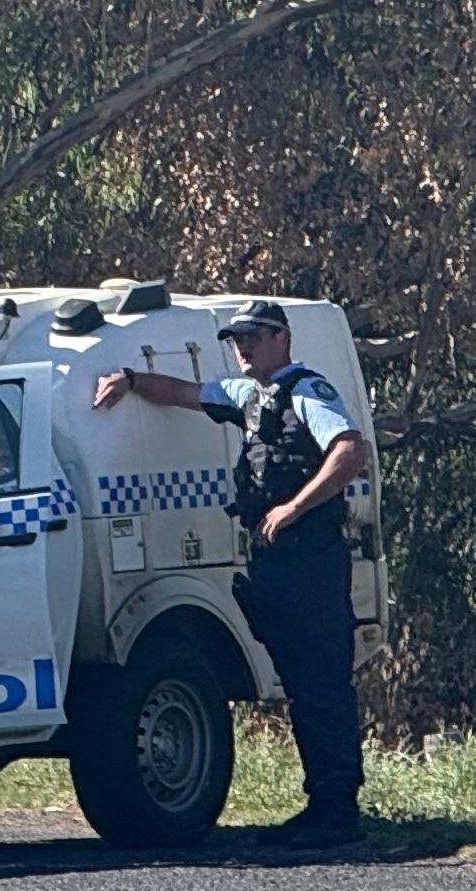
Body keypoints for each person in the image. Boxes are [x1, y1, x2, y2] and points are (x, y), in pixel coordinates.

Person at [90, 299, 374, 850]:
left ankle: (338, 812)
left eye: (252, 337)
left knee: (321, 686)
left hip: (312, 560)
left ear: (280, 338)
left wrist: (295, 507)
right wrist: (128, 379)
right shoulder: (249, 396)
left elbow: (349, 450)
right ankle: (322, 807)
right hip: (276, 564)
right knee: (299, 686)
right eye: (235, 340)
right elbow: (185, 393)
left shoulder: (306, 393)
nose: (241, 348)